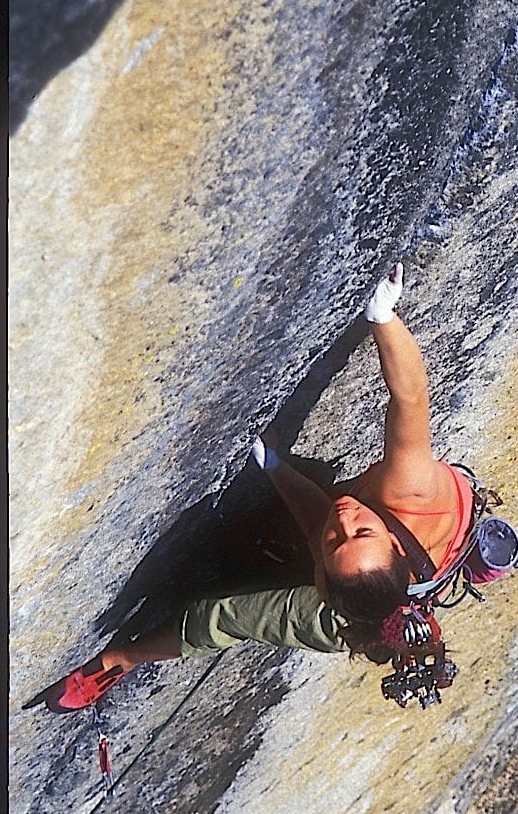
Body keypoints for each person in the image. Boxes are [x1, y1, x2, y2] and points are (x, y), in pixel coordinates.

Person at [35, 262, 477, 712]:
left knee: (237, 618)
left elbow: (320, 528)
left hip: (367, 594)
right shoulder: (410, 488)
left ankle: (122, 659)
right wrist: (382, 314)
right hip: (413, 534)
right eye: (361, 531)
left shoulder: (339, 593)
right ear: (395, 546)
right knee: (330, 550)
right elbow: (410, 398)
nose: (344, 519)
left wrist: (276, 467)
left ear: (324, 582)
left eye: (334, 542)